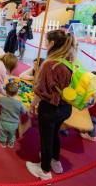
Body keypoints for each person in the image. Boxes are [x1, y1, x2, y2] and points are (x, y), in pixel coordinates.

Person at [26, 30, 77, 180]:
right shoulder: (69, 60)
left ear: (52, 43)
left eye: (47, 41)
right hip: (66, 108)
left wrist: (32, 105)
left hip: (50, 108)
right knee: (55, 134)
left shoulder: (49, 64)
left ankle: (44, 170)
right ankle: (56, 161)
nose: (45, 44)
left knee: (46, 138)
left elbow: (40, 90)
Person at [0, 82, 26, 148]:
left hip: (3, 122)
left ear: (6, 91)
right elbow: (24, 112)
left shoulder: (2, 99)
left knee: (3, 133)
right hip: (14, 123)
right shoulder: (19, 103)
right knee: (12, 134)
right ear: (17, 93)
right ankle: (11, 143)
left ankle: (3, 142)